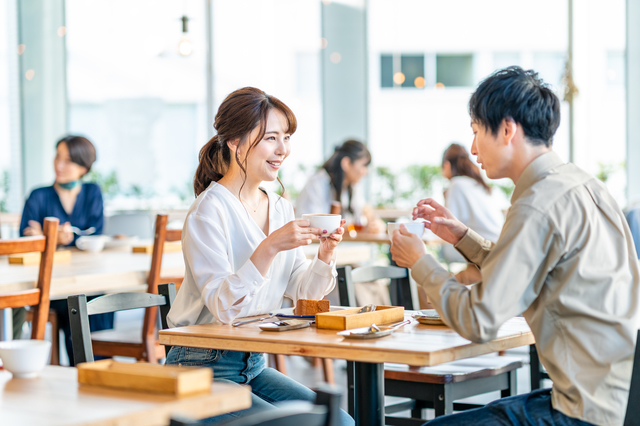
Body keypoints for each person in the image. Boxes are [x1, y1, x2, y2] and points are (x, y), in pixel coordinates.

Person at [390, 66, 639, 425]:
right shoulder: (583, 185)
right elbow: (530, 272)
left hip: (581, 412)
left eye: (477, 132)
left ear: (507, 129)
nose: (473, 148)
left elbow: (479, 320)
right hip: (615, 393)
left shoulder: (537, 204)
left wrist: (420, 262)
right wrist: (463, 237)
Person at [165, 87, 354, 425]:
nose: (283, 149)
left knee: (339, 421)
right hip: (199, 367)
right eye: (270, 138)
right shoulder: (209, 211)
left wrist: (325, 254)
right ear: (234, 141)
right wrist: (269, 247)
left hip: (253, 364)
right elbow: (225, 308)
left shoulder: (280, 206)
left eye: (286, 137)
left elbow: (303, 295)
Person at [17, 135, 113, 365]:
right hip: (51, 285)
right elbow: (25, 240)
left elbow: (94, 232)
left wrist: (54, 236)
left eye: (68, 160)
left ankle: (101, 368)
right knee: (76, 302)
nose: (59, 165)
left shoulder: (92, 192)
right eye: (57, 157)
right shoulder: (39, 195)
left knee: (102, 298)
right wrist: (52, 240)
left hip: (86, 277)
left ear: (83, 167)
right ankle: (83, 368)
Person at [439, 143, 505, 284]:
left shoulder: (456, 184)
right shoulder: (479, 185)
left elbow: (449, 226)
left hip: (486, 260)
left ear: (447, 165)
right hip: (499, 254)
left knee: (430, 289)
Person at [296, 139, 383, 233]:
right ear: (346, 163)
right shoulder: (317, 184)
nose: (366, 172)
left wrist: (375, 223)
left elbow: (363, 211)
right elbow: (315, 227)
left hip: (342, 245)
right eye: (364, 166)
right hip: (316, 245)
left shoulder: (353, 186)